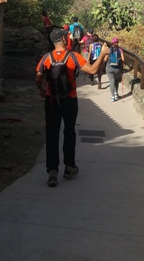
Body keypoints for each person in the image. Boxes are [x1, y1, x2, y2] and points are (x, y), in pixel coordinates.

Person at [36, 28, 110, 187]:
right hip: (69, 100)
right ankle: (69, 167)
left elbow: (38, 77)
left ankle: (52, 171)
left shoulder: (46, 58)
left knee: (52, 134)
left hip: (51, 101)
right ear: (63, 40)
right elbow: (93, 70)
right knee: (69, 132)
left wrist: (42, 90)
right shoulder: (73, 56)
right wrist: (103, 53)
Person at [104, 37, 125, 102]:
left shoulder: (109, 50)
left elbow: (105, 59)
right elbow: (123, 59)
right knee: (116, 80)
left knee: (111, 81)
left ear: (112, 43)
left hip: (109, 68)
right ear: (118, 42)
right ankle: (116, 93)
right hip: (117, 69)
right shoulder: (120, 50)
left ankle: (112, 96)